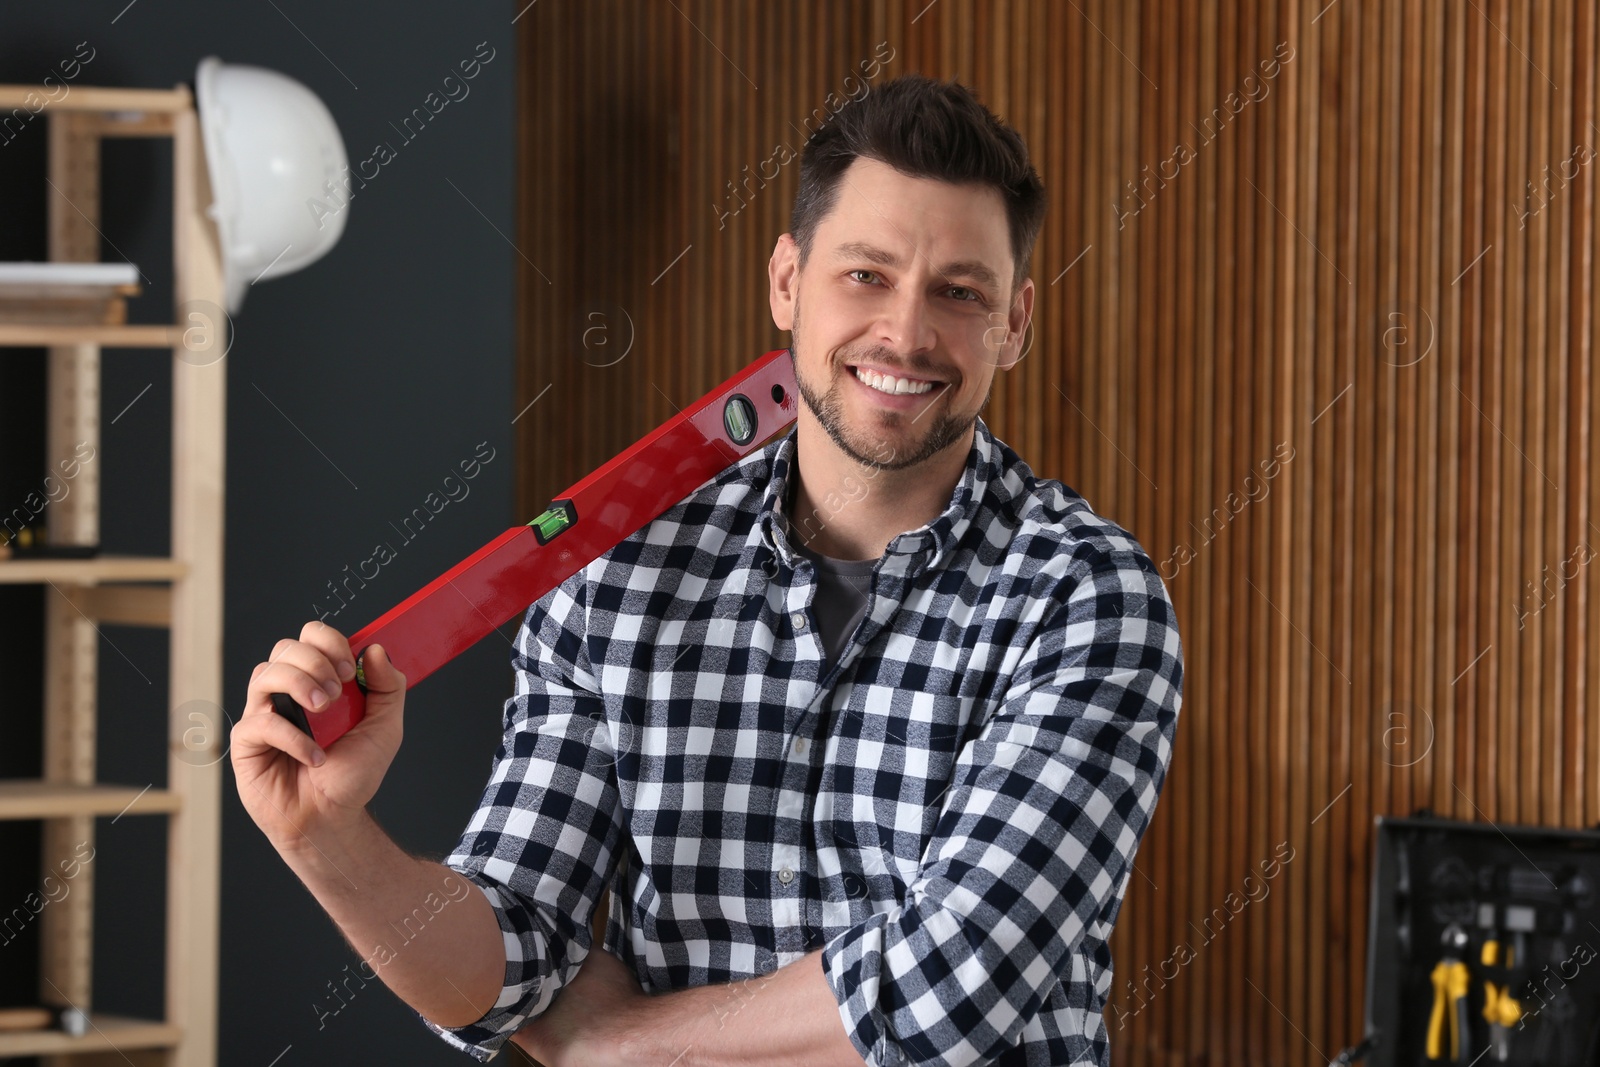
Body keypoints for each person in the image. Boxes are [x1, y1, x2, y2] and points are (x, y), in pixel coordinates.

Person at [232, 73, 1183, 1066]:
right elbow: (507, 954)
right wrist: (326, 839)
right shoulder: (615, 570)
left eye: (959, 291)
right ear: (786, 278)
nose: (905, 332)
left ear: (1013, 323)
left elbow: (949, 987)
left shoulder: (1084, 597)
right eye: (865, 274)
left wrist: (617, 1046)